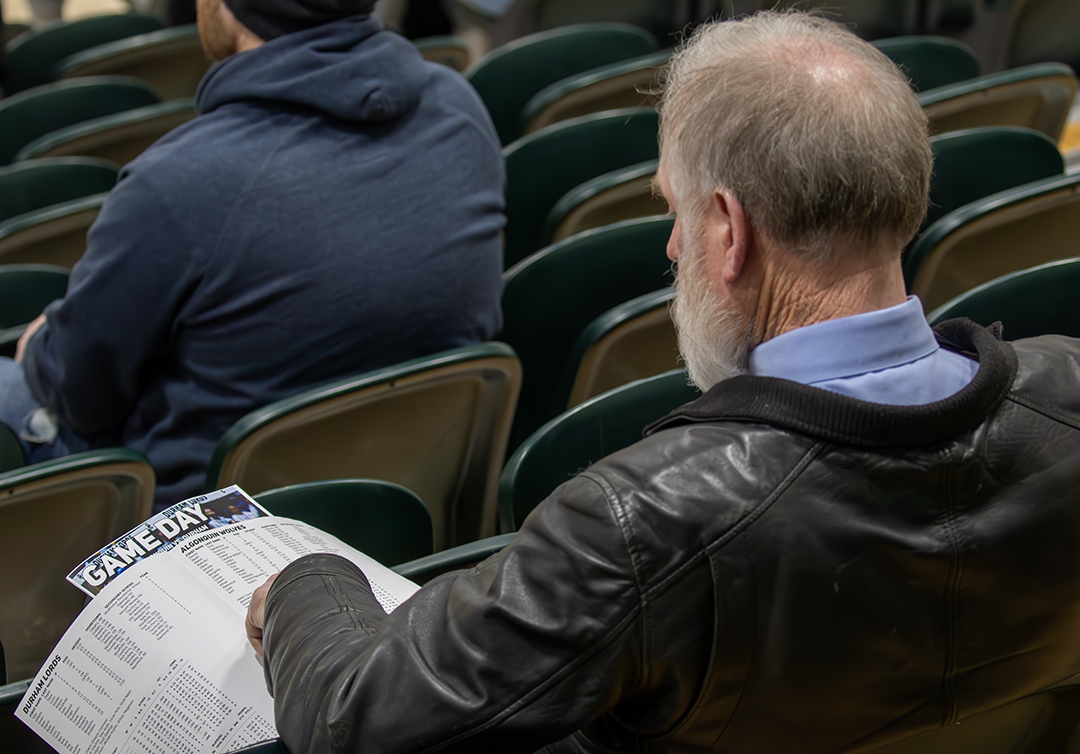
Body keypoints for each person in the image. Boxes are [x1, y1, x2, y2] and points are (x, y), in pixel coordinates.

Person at [245, 11, 1080, 753]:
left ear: (726, 229)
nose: (672, 249)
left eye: (675, 212)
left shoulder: (641, 519)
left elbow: (350, 720)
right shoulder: (1069, 392)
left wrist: (309, 582)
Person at [0, 0, 504, 511]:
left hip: (214, 537)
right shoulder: (460, 108)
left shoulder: (179, 182)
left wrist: (42, 348)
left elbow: (82, 395)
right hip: (413, 497)